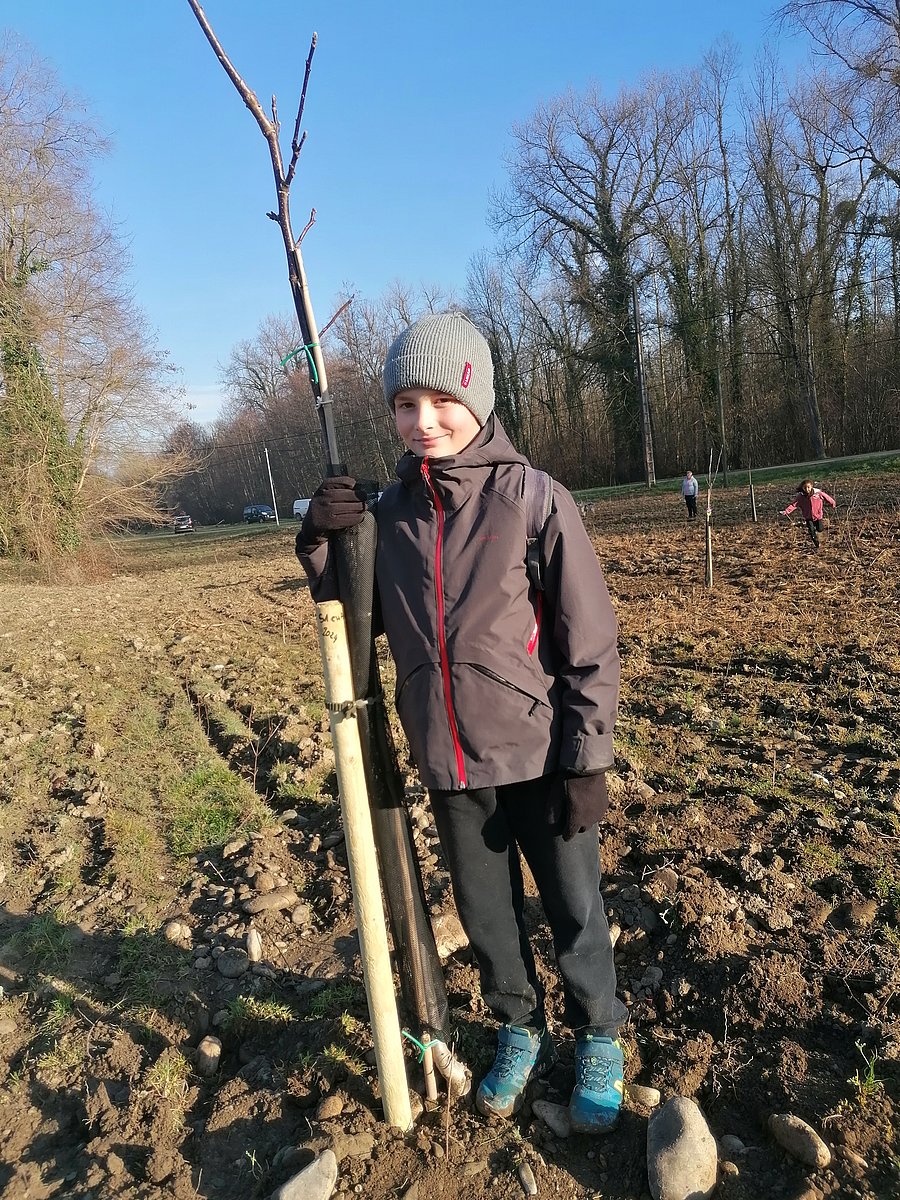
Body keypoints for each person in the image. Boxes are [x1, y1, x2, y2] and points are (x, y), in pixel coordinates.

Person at [296, 312, 626, 1133]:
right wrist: (325, 540)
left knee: (575, 906)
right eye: (406, 405)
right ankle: (519, 1026)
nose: (424, 421)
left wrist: (587, 760)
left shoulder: (533, 499)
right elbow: (354, 615)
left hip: (541, 756)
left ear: (478, 399)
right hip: (449, 761)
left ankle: (599, 1034)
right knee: (486, 918)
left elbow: (589, 641)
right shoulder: (389, 517)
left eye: (442, 400)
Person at [781, 479, 836, 549]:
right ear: (802, 488)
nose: (807, 489)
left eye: (808, 487)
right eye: (805, 488)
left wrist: (832, 503)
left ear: (811, 486)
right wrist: (786, 511)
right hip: (808, 517)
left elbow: (827, 497)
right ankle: (817, 544)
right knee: (811, 531)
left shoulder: (818, 494)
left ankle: (820, 535)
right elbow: (794, 505)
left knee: (820, 529)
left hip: (818, 516)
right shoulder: (801, 497)